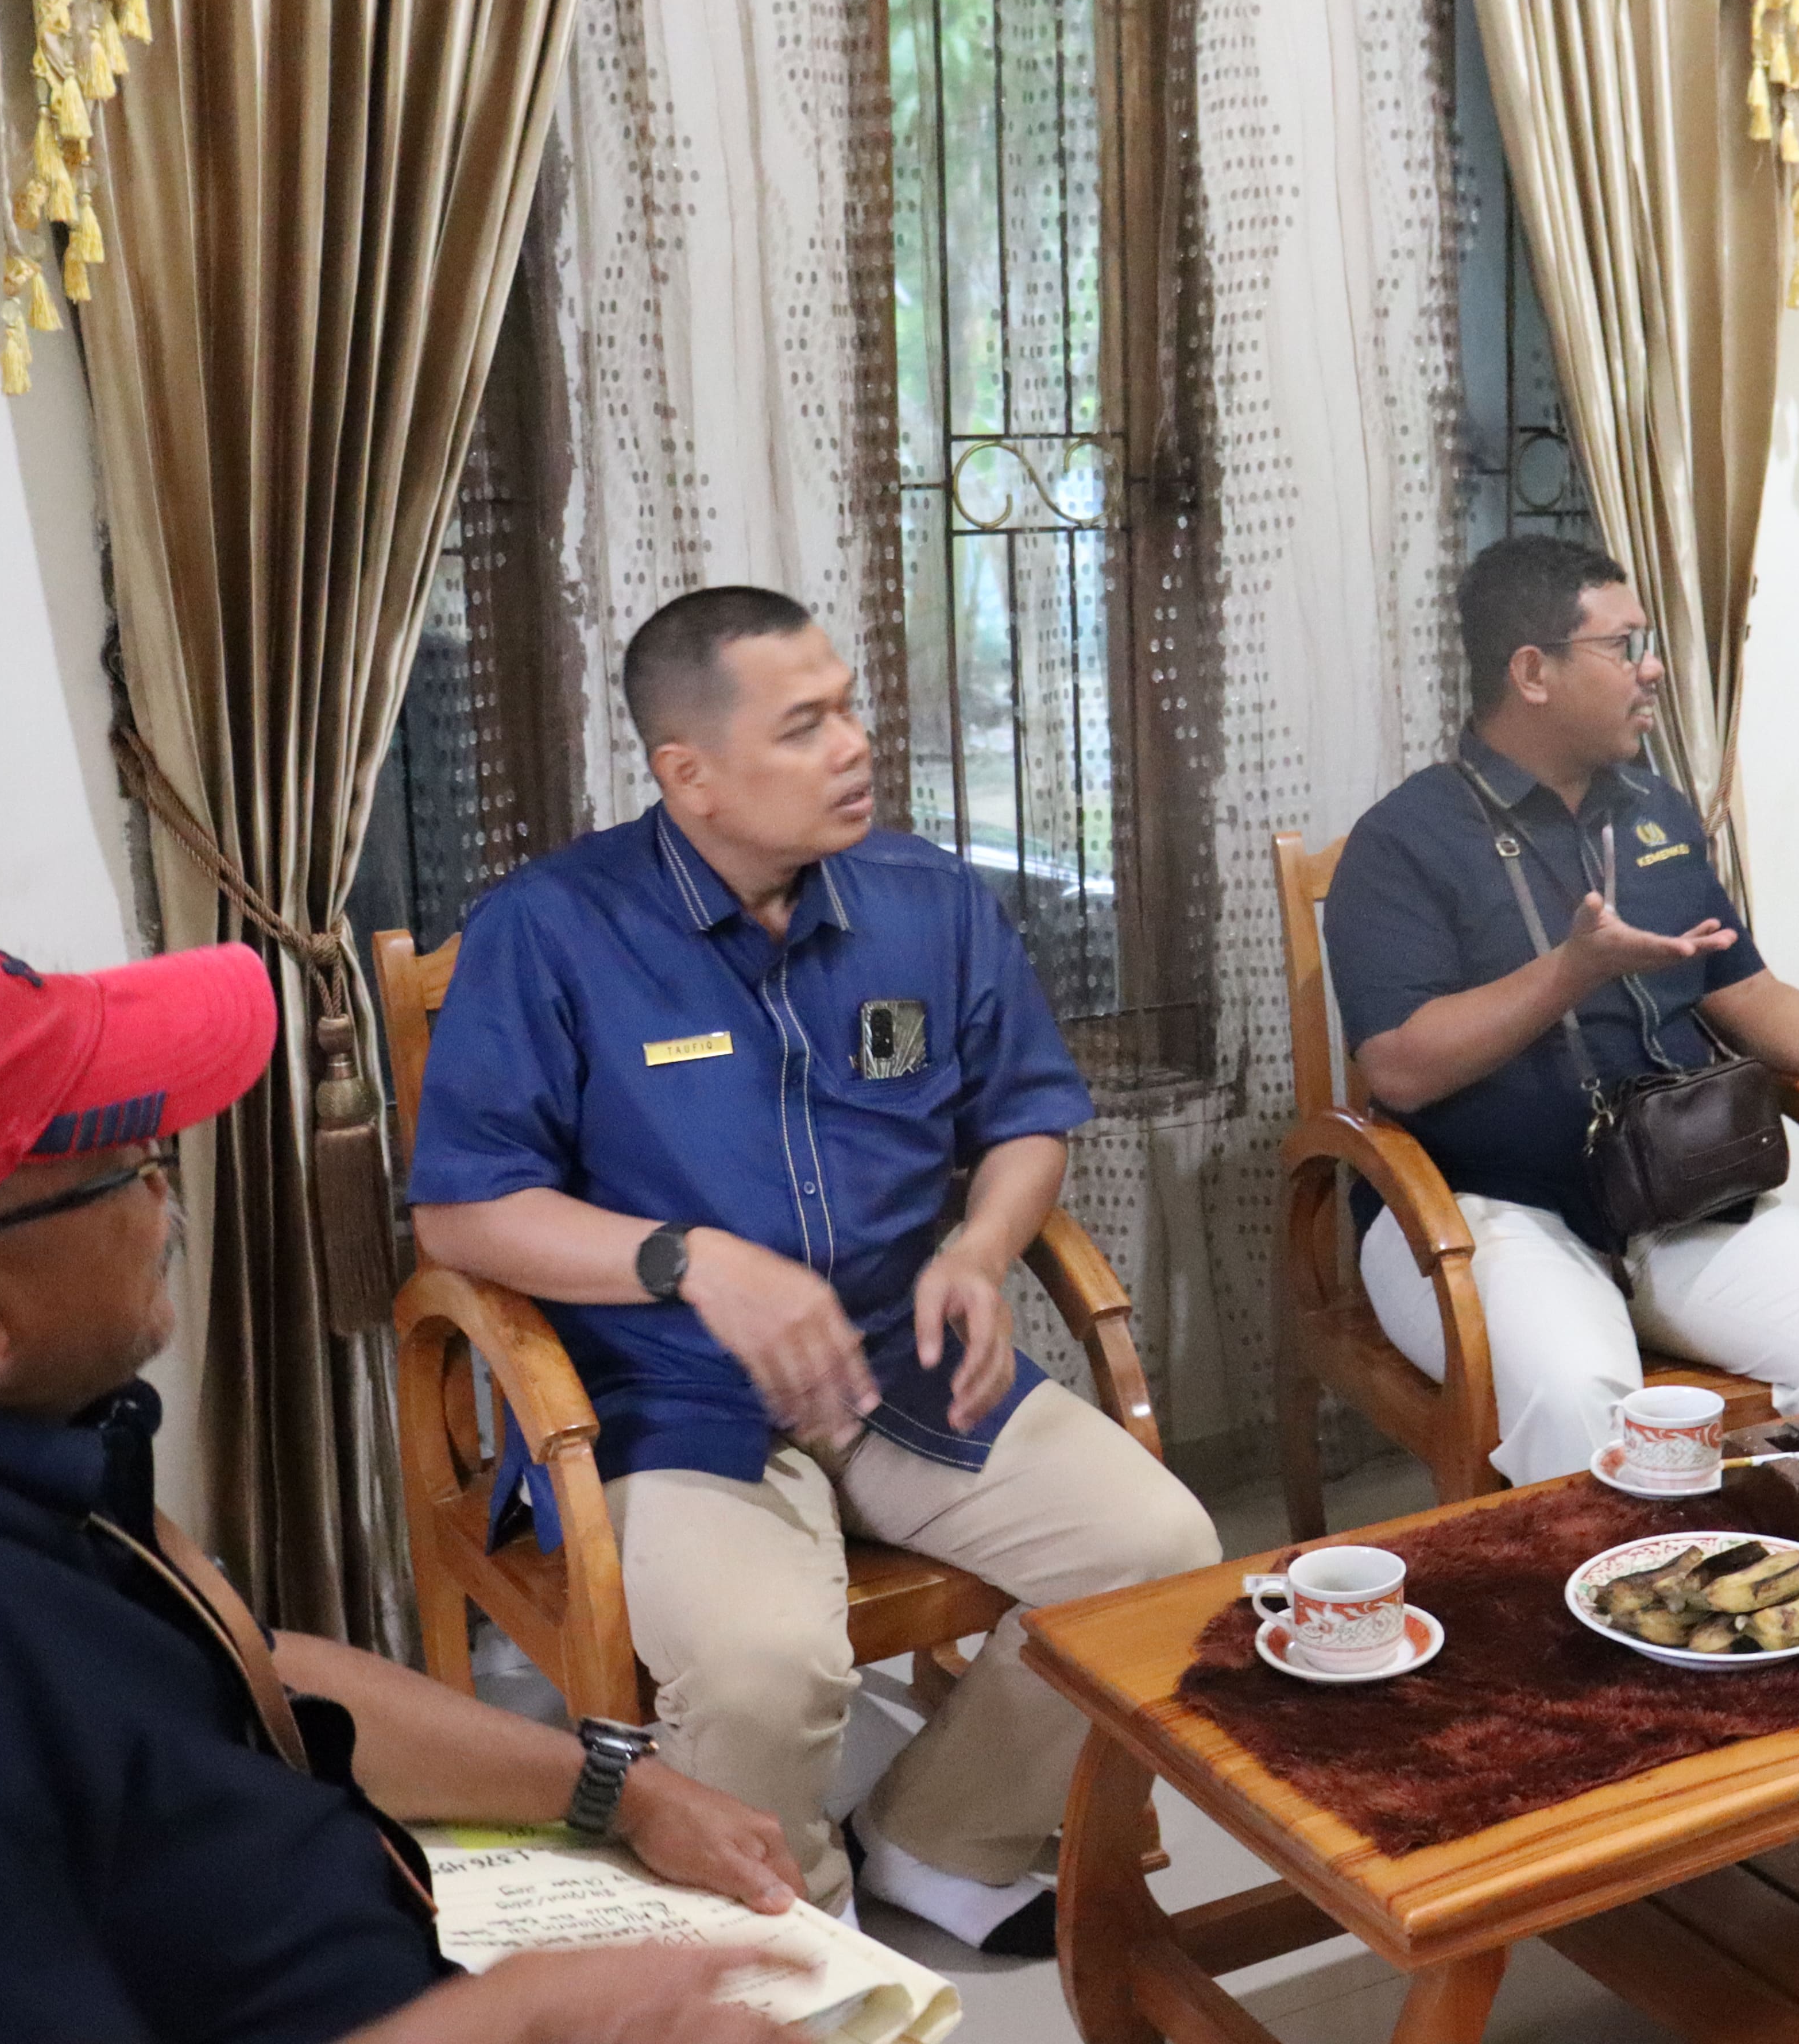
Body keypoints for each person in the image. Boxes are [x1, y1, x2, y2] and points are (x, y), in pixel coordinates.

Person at [0, 926, 813, 2044]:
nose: (165, 1196)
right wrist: (518, 2018)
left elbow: (245, 1671)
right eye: (128, 1169)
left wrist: (621, 1786)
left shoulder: (4, 1448)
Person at [405, 586, 1221, 1952]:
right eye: (805, 725)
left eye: (848, 706)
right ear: (691, 774)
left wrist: (980, 1247)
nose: (855, 744)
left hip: (905, 1361)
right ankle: (787, 1938)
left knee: (1162, 1559)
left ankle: (941, 1837)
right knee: (757, 1671)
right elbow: (464, 1216)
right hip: (668, 1392)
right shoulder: (550, 929)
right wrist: (690, 1262)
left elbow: (1026, 1118)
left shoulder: (926, 899)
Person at [1320, 535, 1799, 1488]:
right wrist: (1570, 972)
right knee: (1580, 1392)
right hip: (1482, 1212)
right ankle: (1632, 1588)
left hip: (1673, 1194)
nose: (1651, 669)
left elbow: (1745, 989)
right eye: (1624, 647)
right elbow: (1399, 1066)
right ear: (1533, 673)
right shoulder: (1406, 842)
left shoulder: (1653, 810)